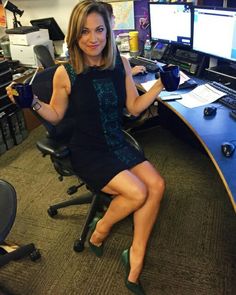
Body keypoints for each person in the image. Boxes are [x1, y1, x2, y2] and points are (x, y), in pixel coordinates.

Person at [6, 1, 165, 294]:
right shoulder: (66, 73)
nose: (93, 38)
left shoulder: (122, 64)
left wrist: (159, 86)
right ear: (74, 36)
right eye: (85, 32)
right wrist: (32, 103)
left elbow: (133, 107)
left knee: (156, 185)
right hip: (88, 150)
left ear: (108, 31)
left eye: (100, 30)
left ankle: (135, 254)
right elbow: (55, 115)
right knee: (138, 192)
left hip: (116, 141)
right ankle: (100, 229)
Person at [100, 1, 147, 76]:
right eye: (111, 15)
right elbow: (109, 76)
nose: (114, 17)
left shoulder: (108, 41)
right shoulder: (103, 42)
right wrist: (129, 73)